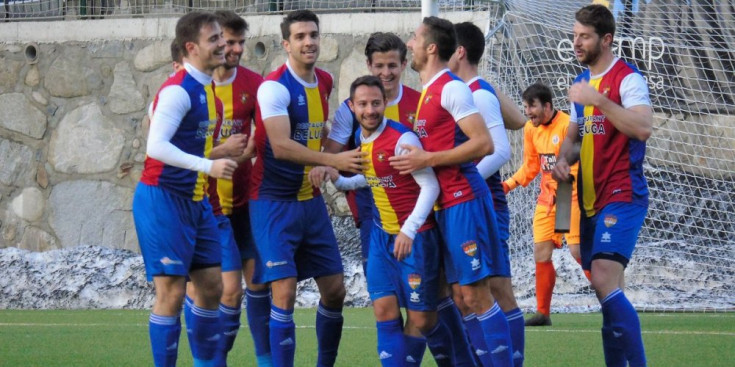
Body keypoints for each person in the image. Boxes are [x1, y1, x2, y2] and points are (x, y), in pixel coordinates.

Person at [391, 16, 514, 367]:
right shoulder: (429, 92)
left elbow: (484, 143)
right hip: (446, 205)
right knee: (461, 296)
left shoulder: (452, 87)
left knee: (477, 295)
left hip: (464, 201)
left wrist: (428, 157)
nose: (410, 43)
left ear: (431, 47)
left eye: (415, 38)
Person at [250, 9, 365, 367]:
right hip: (273, 201)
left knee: (335, 290)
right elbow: (281, 146)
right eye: (299, 37)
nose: (308, 42)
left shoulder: (326, 81)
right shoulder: (274, 86)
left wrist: (338, 149)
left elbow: (319, 132)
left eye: (313, 35)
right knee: (283, 292)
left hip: (310, 204)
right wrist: (333, 162)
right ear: (286, 44)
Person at [327, 75, 454, 367]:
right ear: (352, 106)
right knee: (384, 310)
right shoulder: (362, 138)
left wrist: (408, 231)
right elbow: (377, 178)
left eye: (375, 103)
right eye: (363, 104)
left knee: (422, 318)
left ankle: (459, 360)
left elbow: (430, 186)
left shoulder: (402, 139)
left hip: (416, 237)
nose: (370, 110)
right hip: (382, 237)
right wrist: (342, 182)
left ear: (385, 102)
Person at [132, 11, 236, 367]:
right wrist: (210, 165)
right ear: (191, 47)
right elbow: (156, 147)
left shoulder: (206, 90)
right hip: (162, 199)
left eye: (222, 37)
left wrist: (212, 158)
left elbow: (162, 116)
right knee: (172, 292)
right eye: (214, 40)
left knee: (210, 287)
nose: (223, 44)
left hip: (195, 203)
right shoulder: (179, 90)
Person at [552, 5, 652, 367]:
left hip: (623, 194)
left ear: (606, 39)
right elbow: (575, 139)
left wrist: (600, 101)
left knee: (604, 278)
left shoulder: (627, 79)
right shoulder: (583, 83)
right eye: (575, 35)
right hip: (589, 203)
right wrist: (564, 159)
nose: (577, 42)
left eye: (585, 36)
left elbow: (642, 128)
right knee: (608, 292)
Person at [181, 10, 270, 367]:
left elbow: (259, 138)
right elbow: (171, 149)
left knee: (259, 285)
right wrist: (221, 154)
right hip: (206, 204)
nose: (233, 49)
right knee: (226, 290)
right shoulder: (188, 87)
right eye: (227, 41)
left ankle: (260, 359)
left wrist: (245, 152)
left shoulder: (255, 84)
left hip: (247, 202)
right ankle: (211, 358)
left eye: (239, 42)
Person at [309, 32, 421, 279]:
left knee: (418, 285)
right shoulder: (350, 108)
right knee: (379, 282)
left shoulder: (419, 103)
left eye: (392, 65)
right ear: (369, 65)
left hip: (415, 205)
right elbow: (332, 153)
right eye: (379, 66)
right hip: (370, 204)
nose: (386, 72)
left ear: (403, 64)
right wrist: (324, 166)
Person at [448, 21, 526, 367]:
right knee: (466, 293)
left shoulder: (477, 92)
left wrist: (466, 184)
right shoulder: (473, 91)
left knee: (497, 288)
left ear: (459, 52)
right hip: (470, 203)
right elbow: (519, 120)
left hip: (485, 202)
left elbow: (500, 152)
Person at [503, 82, 587, 328]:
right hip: (547, 198)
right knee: (540, 253)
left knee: (576, 252)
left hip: (566, 194)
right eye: (526, 107)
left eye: (532, 107)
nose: (528, 112)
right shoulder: (530, 129)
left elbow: (578, 164)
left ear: (547, 106)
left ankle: (611, 295)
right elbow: (530, 167)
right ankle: (543, 313)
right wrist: (508, 184)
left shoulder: (568, 125)